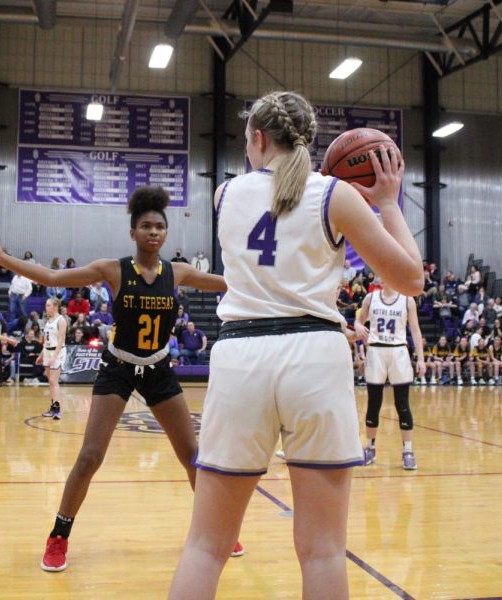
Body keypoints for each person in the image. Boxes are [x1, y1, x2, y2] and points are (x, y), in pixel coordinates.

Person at [168, 91, 422, 600]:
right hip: (314, 357)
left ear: (258, 139)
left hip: (240, 355)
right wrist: (389, 203)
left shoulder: (225, 194)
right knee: (323, 551)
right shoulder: (336, 195)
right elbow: (411, 279)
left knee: (205, 547)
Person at [0, 185, 231, 574]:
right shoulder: (113, 269)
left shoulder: (179, 273)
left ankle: (215, 531)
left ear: (166, 233)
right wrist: (3, 260)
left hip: (157, 369)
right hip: (118, 367)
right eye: (145, 226)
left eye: (159, 226)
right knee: (90, 456)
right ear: (133, 232)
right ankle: (58, 535)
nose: (153, 232)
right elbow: (53, 277)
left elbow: (231, 283)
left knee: (193, 456)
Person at [354, 282, 426, 467]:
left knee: (402, 403)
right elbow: (358, 321)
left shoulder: (407, 300)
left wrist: (421, 358)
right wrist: (358, 326)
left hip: (398, 351)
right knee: (374, 403)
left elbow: (415, 330)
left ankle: (408, 451)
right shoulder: (370, 298)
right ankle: (370, 448)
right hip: (376, 351)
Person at [38, 298, 67, 418]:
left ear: (55, 307)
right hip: (47, 351)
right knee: (50, 382)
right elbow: (46, 341)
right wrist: (41, 355)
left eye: (48, 305)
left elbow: (61, 340)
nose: (46, 307)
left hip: (58, 352)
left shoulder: (61, 320)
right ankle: (53, 406)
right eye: (46, 305)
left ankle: (57, 409)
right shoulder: (48, 320)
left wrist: (54, 356)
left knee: (53, 381)